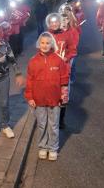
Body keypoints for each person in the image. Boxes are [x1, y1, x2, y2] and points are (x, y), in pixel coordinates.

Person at [25, 32, 69, 161]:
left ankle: (53, 148)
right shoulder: (33, 61)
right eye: (42, 43)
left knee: (53, 125)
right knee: (42, 124)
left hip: (55, 100)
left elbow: (64, 80)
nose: (45, 45)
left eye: (48, 43)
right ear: (39, 44)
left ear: (52, 45)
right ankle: (43, 146)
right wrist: (30, 97)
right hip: (38, 100)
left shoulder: (58, 60)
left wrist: (63, 96)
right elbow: (30, 81)